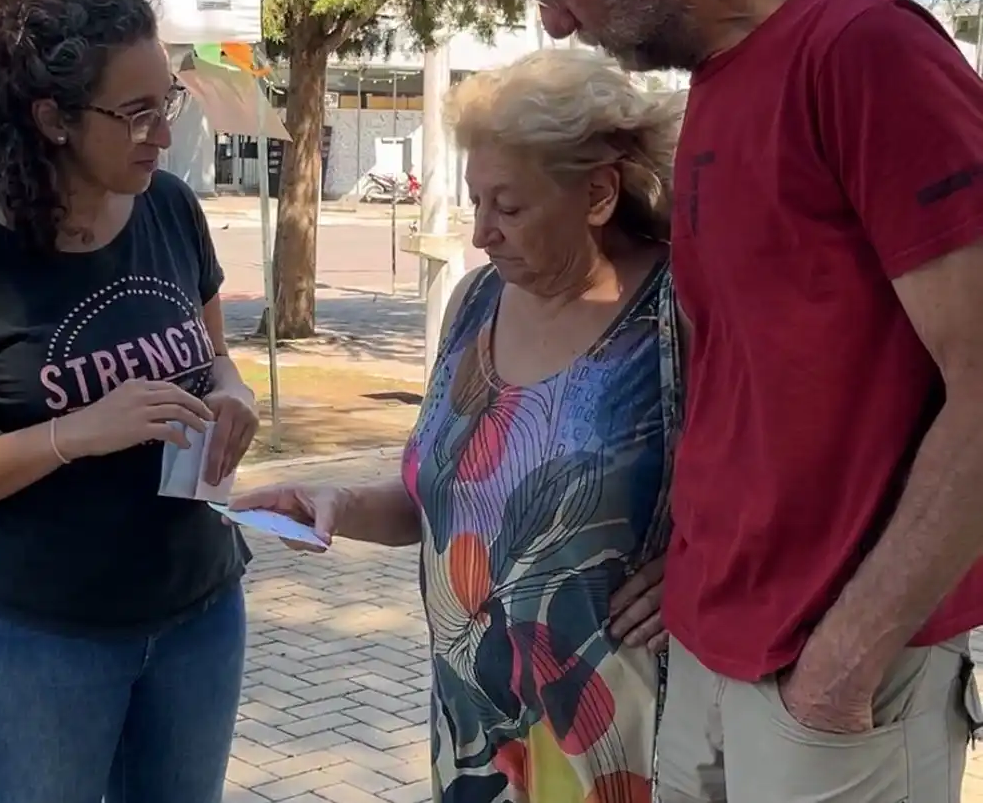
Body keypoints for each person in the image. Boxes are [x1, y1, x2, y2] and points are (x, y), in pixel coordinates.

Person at [470, 0, 983, 803]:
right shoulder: (718, 83)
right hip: (716, 656)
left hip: (835, 680)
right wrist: (695, 561)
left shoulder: (867, 54)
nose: (550, 18)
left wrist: (846, 656)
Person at [234, 48, 683, 803]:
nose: (482, 234)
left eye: (509, 208)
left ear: (599, 194)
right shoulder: (476, 303)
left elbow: (799, 485)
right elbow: (436, 502)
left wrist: (705, 573)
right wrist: (339, 505)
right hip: (476, 734)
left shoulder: (677, 311)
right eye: (477, 204)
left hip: (630, 740)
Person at [0, 0, 259, 803]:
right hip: (32, 638)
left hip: (197, 612)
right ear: (52, 118)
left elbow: (214, 356)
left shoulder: (169, 206)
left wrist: (233, 395)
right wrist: (71, 435)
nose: (163, 132)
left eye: (168, 104)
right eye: (136, 113)